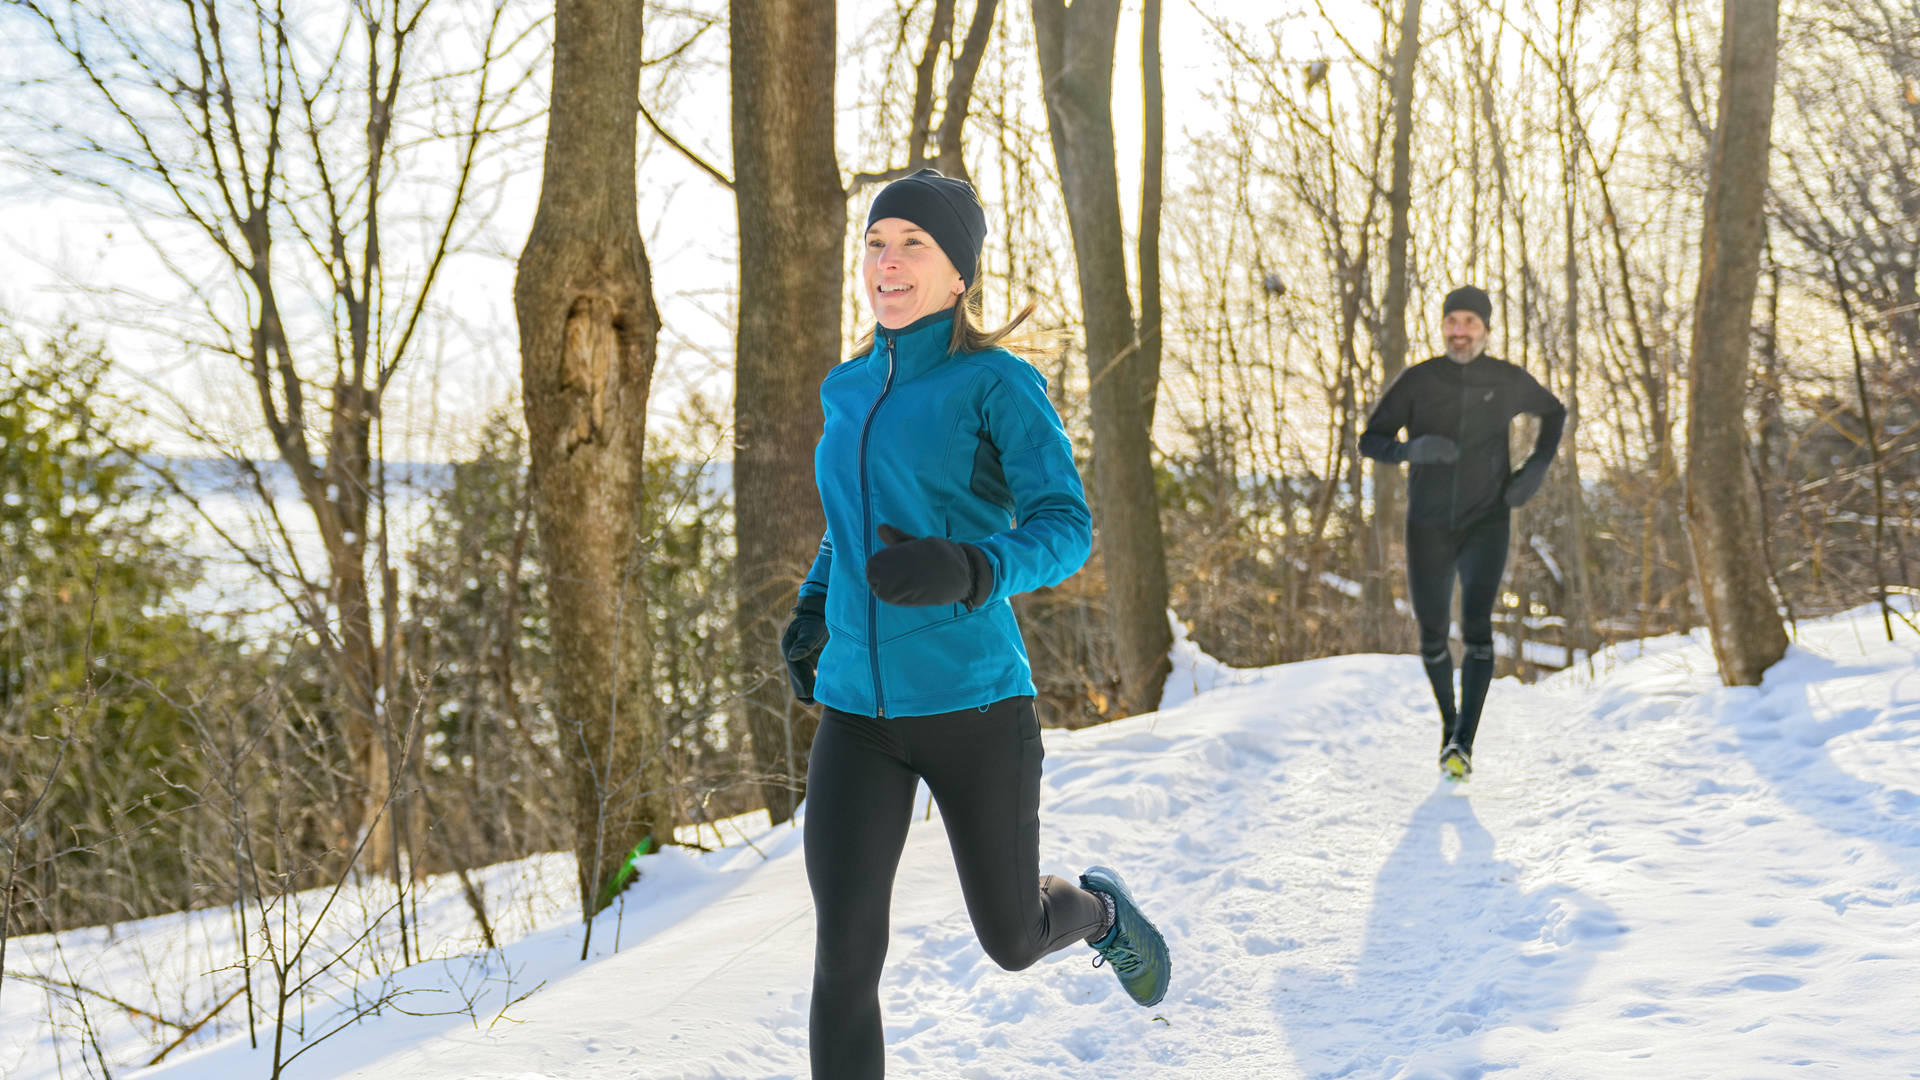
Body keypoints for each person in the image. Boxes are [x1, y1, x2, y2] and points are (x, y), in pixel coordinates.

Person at [780, 168, 1171, 1078]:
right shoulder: (847, 388)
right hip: (857, 720)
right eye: (877, 243)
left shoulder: (996, 383)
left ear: (958, 273)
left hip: (975, 708)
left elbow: (1065, 528)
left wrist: (973, 566)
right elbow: (850, 531)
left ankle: (1100, 914)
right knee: (843, 956)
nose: (888, 260)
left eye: (914, 243)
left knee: (1013, 936)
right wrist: (812, 607)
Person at [1359, 285, 1566, 780]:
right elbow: (1370, 440)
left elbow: (1553, 413)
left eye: (1471, 323)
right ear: (1443, 326)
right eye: (1453, 321)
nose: (1460, 331)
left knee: (1476, 626)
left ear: (1486, 330)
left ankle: (1463, 743)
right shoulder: (1419, 380)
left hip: (1487, 520)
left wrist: (1533, 471)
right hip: (1427, 524)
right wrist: (1412, 451)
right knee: (1431, 633)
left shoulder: (1505, 379)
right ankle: (1450, 726)